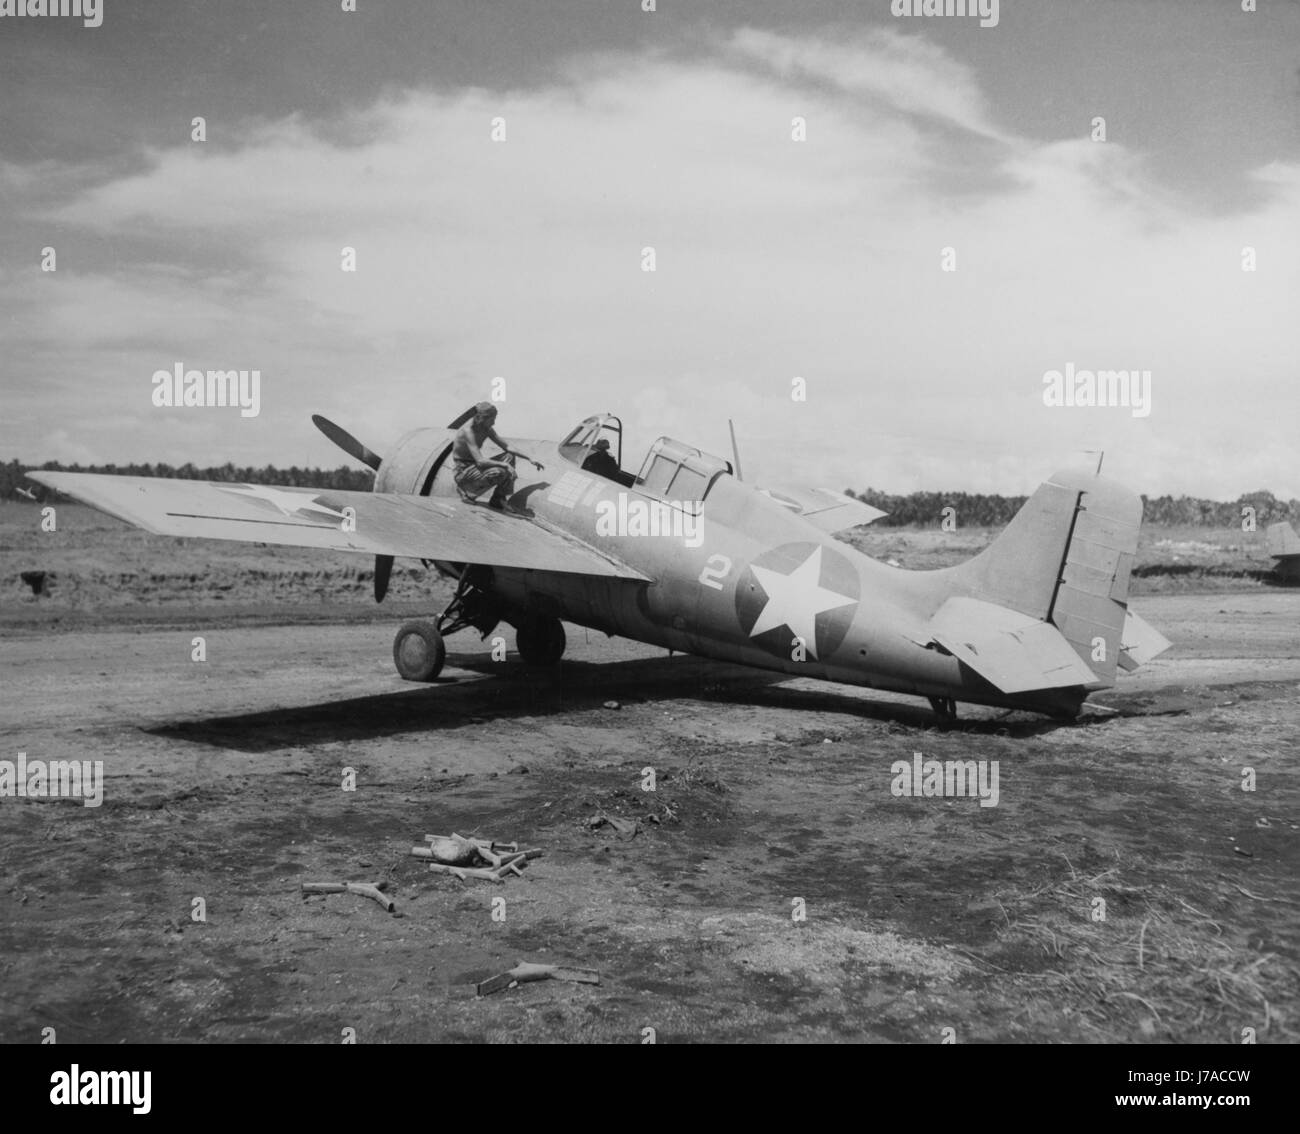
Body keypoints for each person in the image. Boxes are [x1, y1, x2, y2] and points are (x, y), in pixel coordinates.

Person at [452, 403, 532, 510]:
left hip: (473, 467)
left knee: (510, 455)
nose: (494, 423)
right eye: (492, 419)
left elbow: (507, 446)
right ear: (482, 417)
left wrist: (530, 458)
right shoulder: (468, 431)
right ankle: (465, 490)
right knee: (499, 472)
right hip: (462, 471)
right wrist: (505, 465)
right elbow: (480, 461)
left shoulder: (486, 428)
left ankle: (498, 498)